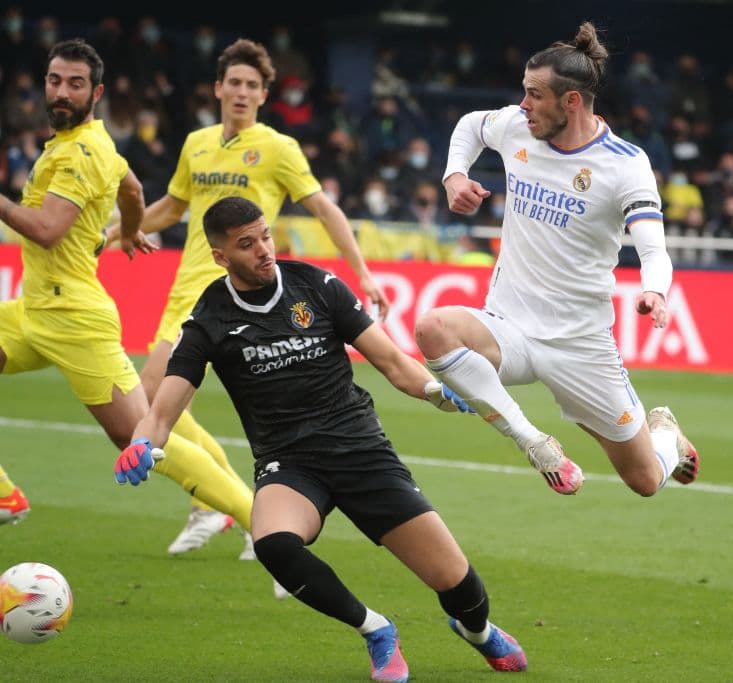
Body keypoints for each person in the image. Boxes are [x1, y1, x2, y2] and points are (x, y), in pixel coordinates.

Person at [114, 196, 527, 682]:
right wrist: (141, 443)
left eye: (265, 235)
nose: (264, 249)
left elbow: (392, 362)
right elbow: (162, 411)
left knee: (457, 584)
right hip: (288, 463)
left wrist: (435, 391)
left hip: (361, 450)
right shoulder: (208, 318)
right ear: (221, 256)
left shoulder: (316, 285)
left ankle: (477, 632)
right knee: (273, 544)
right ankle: (376, 630)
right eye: (247, 244)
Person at [108, 38, 390, 557]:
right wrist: (114, 232)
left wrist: (364, 274)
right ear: (218, 88)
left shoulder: (278, 148)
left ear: (264, 94)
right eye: (234, 82)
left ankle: (227, 506)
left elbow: (325, 209)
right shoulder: (196, 143)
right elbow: (172, 206)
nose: (241, 92)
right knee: (159, 402)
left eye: (252, 85)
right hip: (187, 289)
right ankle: (214, 504)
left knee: (148, 396)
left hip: (240, 294)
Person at [414, 22, 699, 497]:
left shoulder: (624, 164)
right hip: (508, 325)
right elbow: (470, 126)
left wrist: (655, 289)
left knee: (645, 480)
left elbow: (653, 248)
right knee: (432, 328)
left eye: (534, 95)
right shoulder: (516, 127)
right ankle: (534, 443)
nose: (522, 105)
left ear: (570, 102)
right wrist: (454, 176)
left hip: (579, 344)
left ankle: (668, 436)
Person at [0, 39, 253, 534]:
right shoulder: (92, 144)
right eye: (55, 80)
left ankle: (260, 521)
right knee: (146, 434)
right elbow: (133, 189)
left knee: (142, 438)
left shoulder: (80, 154)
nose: (62, 92)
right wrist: (131, 228)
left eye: (75, 84)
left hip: (74, 320)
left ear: (96, 93)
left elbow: (48, 230)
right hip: (34, 310)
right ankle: (5, 496)